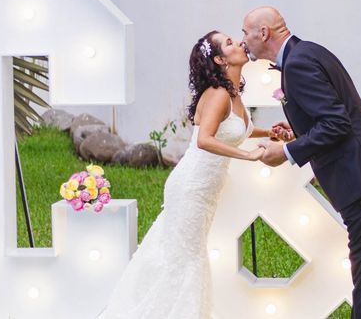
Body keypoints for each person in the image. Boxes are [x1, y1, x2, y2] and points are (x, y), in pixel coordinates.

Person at [99, 30, 289, 318]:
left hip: (205, 191)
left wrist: (270, 133)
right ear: (219, 59)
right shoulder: (218, 94)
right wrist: (249, 155)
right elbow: (206, 139)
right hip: (191, 188)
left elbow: (238, 130)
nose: (238, 43)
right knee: (186, 260)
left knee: (183, 257)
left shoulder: (233, 92)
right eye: (229, 43)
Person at [241, 7, 361, 319]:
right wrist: (299, 130)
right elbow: (333, 112)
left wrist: (287, 153)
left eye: (246, 32)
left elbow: (336, 123)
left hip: (360, 174)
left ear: (263, 33)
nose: (243, 40)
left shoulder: (298, 64)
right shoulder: (306, 51)